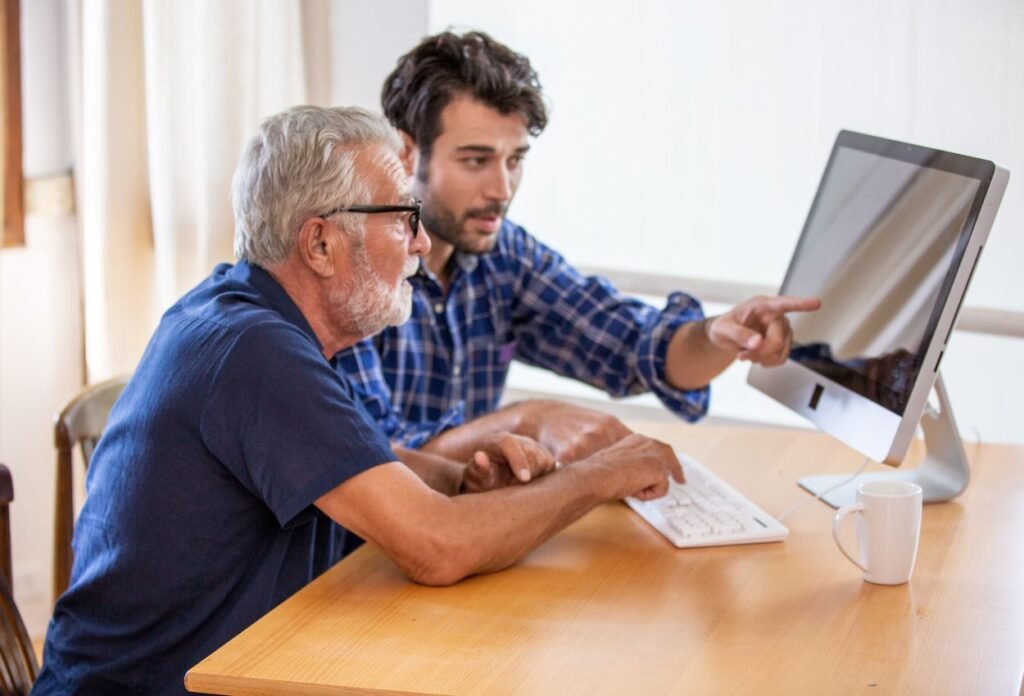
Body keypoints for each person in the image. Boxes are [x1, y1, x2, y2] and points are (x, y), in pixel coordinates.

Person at [32, 106, 682, 695]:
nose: (423, 244)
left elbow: (345, 463)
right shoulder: (256, 353)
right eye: (404, 220)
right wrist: (603, 475)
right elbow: (438, 550)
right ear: (319, 243)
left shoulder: (250, 317)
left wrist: (458, 476)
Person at [336, 31, 820, 465]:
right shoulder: (350, 273)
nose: (502, 188)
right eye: (476, 160)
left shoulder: (504, 256)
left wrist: (717, 334)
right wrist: (527, 420)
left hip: (463, 535)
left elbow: (635, 348)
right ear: (406, 152)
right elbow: (378, 460)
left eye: (515, 160)